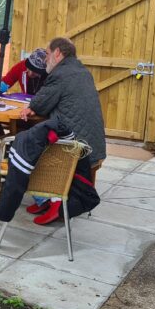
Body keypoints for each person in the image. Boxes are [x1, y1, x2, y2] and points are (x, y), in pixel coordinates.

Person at [13, 37, 106, 225]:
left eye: (47, 54)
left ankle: (54, 201)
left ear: (57, 53)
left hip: (75, 146)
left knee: (28, 151)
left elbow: (41, 102)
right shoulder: (81, 71)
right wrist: (37, 106)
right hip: (93, 143)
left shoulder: (60, 74)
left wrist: (33, 107)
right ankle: (46, 199)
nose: (45, 59)